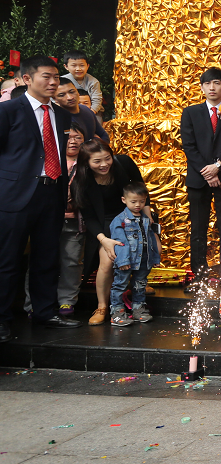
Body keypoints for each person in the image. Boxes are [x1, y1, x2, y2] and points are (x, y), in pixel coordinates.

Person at [0, 56, 79, 342]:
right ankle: (2, 319)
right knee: (7, 260)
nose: (53, 82)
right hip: (14, 196)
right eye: (46, 76)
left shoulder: (61, 114)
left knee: (47, 257)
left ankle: (46, 312)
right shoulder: (8, 111)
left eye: (56, 77)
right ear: (26, 79)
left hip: (51, 192)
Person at [74, 138, 146, 325]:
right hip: (104, 222)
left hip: (131, 214)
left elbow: (140, 187)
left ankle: (137, 290)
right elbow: (88, 216)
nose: (104, 164)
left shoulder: (124, 163)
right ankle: (102, 306)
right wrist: (103, 239)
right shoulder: (81, 180)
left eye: (107, 158)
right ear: (86, 163)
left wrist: (146, 213)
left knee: (144, 253)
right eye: (97, 161)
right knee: (107, 261)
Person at [24, 124, 86, 317]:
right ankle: (33, 302)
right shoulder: (48, 161)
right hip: (47, 219)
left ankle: (67, 301)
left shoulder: (88, 162)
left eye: (78, 137)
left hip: (75, 221)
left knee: (72, 261)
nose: (73, 141)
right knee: (40, 259)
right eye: (69, 137)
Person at [180, 67, 221, 289]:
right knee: (198, 230)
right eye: (208, 84)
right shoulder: (190, 112)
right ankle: (199, 276)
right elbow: (189, 146)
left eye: (217, 83)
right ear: (202, 87)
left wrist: (218, 166)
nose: (212, 87)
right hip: (199, 179)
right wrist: (207, 170)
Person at [108, 181, 161, 326]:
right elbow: (119, 241)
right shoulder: (119, 220)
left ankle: (138, 309)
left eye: (142, 201)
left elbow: (150, 239)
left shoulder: (145, 219)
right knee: (120, 284)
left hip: (144, 259)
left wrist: (155, 257)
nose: (138, 205)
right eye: (133, 201)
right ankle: (117, 312)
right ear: (124, 200)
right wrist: (123, 260)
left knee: (140, 284)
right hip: (127, 259)